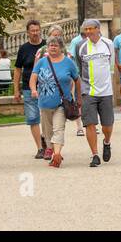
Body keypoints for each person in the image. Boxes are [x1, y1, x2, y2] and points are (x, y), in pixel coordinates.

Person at [30, 35, 79, 167]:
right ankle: (50, 148)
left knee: (58, 129)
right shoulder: (42, 62)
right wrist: (34, 90)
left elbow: (77, 79)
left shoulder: (68, 62)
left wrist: (78, 97)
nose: (52, 47)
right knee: (47, 132)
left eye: (55, 45)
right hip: (44, 103)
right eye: (51, 45)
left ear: (61, 48)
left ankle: (56, 155)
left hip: (62, 102)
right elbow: (33, 78)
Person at [76, 19, 116, 167]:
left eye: (91, 29)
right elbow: (79, 67)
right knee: (90, 123)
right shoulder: (81, 46)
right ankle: (95, 154)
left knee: (107, 124)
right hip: (88, 91)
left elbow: (111, 66)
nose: (88, 32)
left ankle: (107, 142)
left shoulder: (108, 44)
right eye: (86, 29)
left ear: (98, 29)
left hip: (105, 91)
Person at [14, 20, 47, 159]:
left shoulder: (46, 46)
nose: (35, 33)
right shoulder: (24, 49)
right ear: (28, 32)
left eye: (37, 30)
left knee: (47, 116)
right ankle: (40, 147)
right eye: (32, 31)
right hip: (28, 87)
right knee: (33, 117)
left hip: (46, 86)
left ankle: (47, 140)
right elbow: (17, 69)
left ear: (40, 30)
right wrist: (16, 89)